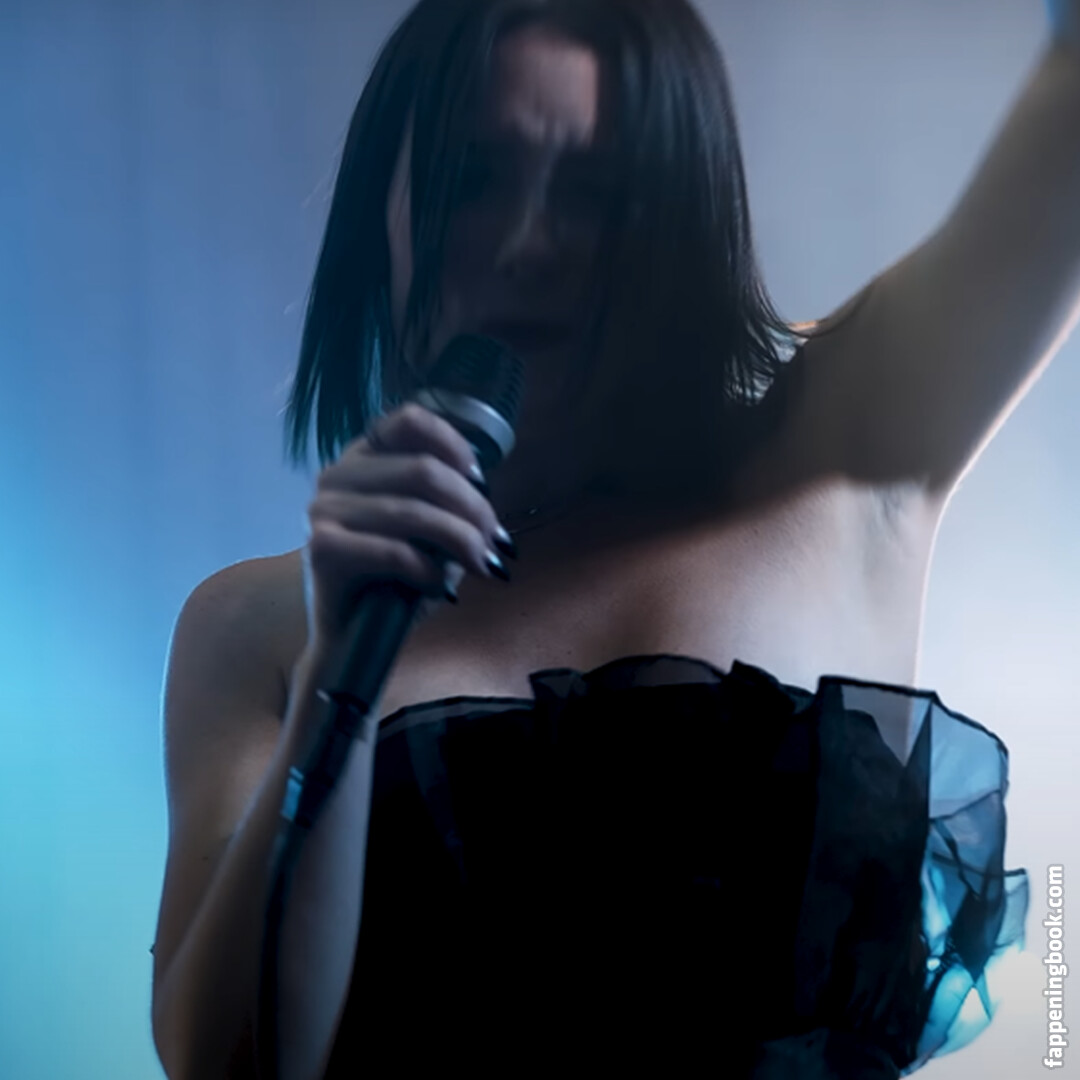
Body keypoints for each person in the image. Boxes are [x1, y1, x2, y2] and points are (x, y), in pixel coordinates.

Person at [150, 0, 1079, 1076]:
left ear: (680, 216)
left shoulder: (841, 446)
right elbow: (227, 1064)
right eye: (475, 177)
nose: (527, 243)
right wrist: (337, 685)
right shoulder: (260, 628)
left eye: (593, 194)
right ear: (383, 209)